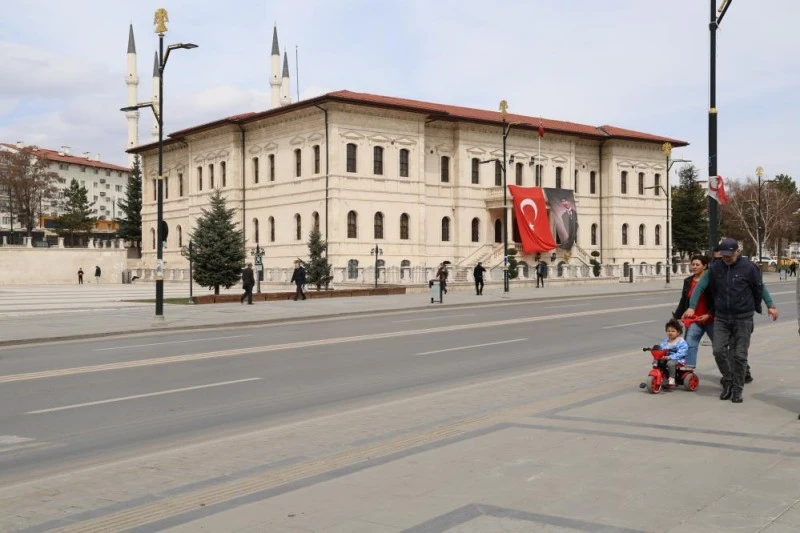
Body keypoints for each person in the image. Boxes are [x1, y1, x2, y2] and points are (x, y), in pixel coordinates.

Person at [684, 238, 778, 403]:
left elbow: (760, 287)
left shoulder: (749, 268)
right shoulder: (715, 268)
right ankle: (728, 380)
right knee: (718, 350)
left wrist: (770, 305)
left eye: (729, 255)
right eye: (724, 255)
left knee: (740, 355)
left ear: (737, 252)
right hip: (721, 317)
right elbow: (700, 287)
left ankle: (737, 389)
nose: (726, 258)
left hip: (743, 317)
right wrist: (691, 306)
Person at [673, 255, 713, 368]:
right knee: (690, 344)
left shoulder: (710, 281)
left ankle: (733, 371)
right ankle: (688, 370)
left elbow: (716, 300)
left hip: (711, 319)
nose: (694, 267)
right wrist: (676, 316)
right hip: (694, 319)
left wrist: (709, 314)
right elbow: (683, 300)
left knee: (720, 348)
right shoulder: (688, 281)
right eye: (693, 264)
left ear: (704, 266)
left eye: (697, 265)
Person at [659, 318, 689, 387]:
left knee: (670, 363)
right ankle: (663, 376)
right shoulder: (666, 341)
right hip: (667, 358)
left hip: (678, 359)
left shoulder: (681, 342)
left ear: (678, 332)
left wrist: (670, 357)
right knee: (659, 363)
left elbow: (682, 352)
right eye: (668, 331)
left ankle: (672, 378)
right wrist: (659, 353)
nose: (670, 332)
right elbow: (661, 349)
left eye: (673, 331)